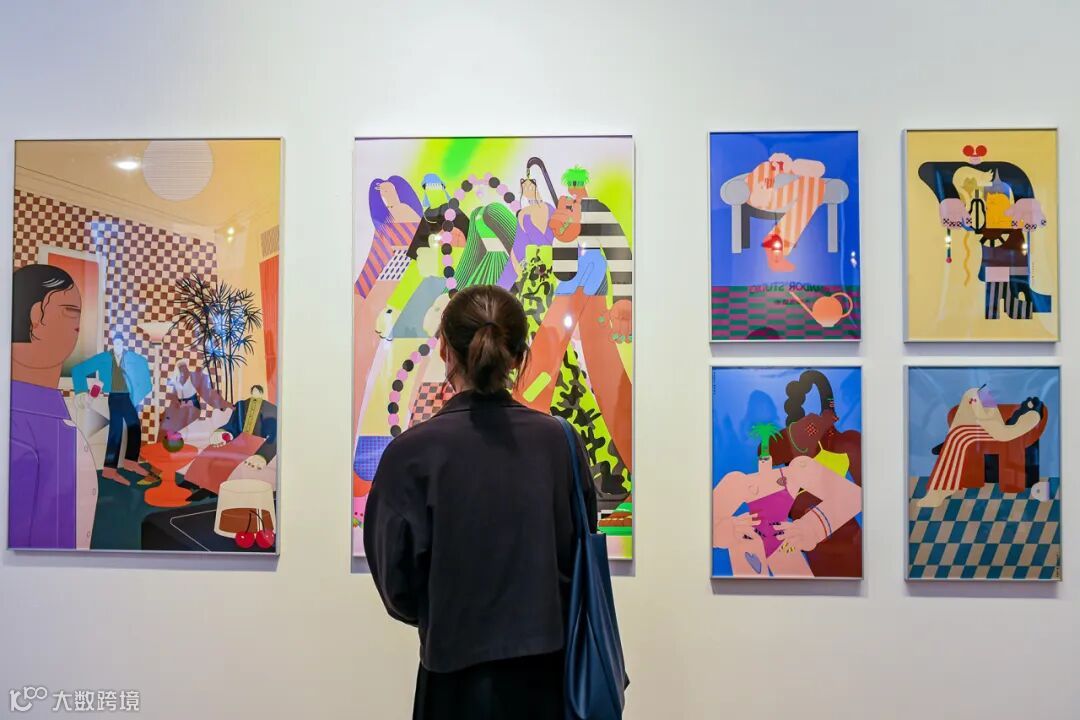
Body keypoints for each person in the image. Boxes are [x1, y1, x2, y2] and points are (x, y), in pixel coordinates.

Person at [365, 285, 597, 719]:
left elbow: (397, 587)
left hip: (451, 680)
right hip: (547, 681)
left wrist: (443, 610)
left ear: (444, 350)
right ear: (519, 356)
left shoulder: (410, 454)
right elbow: (578, 553)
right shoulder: (558, 443)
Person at [9, 264, 99, 549]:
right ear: (36, 316)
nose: (78, 325)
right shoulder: (18, 430)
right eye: (70, 311)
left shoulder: (42, 414)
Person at [72, 336, 152, 485]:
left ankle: (130, 462)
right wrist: (82, 392)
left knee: (135, 427)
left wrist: (139, 391)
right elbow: (78, 370)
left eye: (120, 343)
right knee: (116, 432)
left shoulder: (132, 358)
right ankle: (109, 470)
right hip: (114, 397)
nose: (118, 345)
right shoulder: (104, 358)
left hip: (128, 397)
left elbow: (144, 375)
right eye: (115, 343)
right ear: (112, 344)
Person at [183, 384, 278, 500]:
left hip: (256, 440)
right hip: (239, 438)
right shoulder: (241, 405)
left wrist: (262, 456)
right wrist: (222, 432)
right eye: (253, 391)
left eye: (258, 391)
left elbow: (275, 436)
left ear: (262, 393)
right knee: (210, 450)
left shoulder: (271, 409)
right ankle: (192, 481)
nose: (255, 393)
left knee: (228, 459)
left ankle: (210, 489)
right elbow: (232, 424)